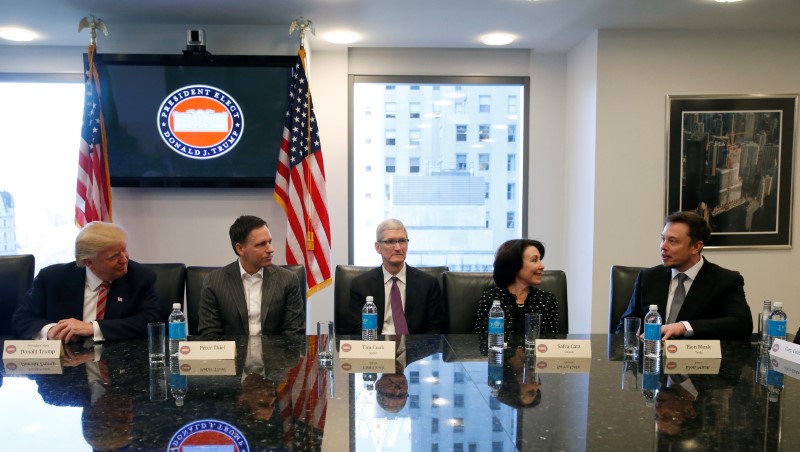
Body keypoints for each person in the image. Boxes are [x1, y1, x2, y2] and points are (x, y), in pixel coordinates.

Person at [13, 221, 160, 342]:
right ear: (89, 262)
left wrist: (92, 328)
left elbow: (150, 321)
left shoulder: (140, 277)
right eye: (114, 256)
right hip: (66, 369)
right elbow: (22, 319)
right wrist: (51, 330)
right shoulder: (52, 278)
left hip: (118, 363)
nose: (124, 259)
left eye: (124, 250)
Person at [616, 211, 752, 340]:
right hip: (651, 358)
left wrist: (684, 327)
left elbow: (741, 324)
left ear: (696, 247)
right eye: (663, 239)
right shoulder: (648, 277)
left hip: (698, 362)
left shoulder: (725, 280)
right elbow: (626, 327)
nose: (663, 246)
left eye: (672, 241)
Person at [197, 215, 304, 337]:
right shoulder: (214, 282)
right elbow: (210, 334)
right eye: (261, 244)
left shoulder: (288, 280)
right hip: (232, 355)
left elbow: (294, 334)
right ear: (240, 249)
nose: (270, 249)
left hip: (275, 355)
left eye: (270, 242)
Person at [348, 218, 444, 335]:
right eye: (390, 241)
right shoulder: (361, 285)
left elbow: (435, 333)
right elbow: (357, 332)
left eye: (402, 241)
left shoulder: (428, 284)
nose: (398, 247)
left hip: (414, 350)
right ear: (378, 247)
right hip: (376, 349)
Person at [474, 239, 559, 336]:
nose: (542, 266)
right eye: (534, 260)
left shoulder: (547, 300)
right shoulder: (490, 299)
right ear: (514, 265)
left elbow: (551, 343)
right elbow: (482, 341)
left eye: (540, 260)